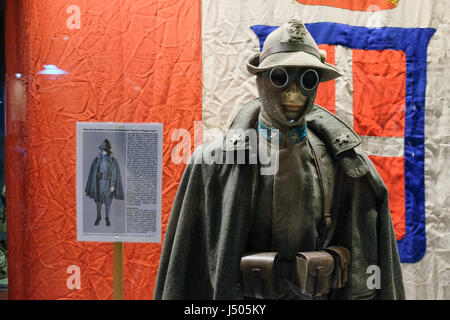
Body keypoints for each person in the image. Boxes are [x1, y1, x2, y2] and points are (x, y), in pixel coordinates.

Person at [154, 19, 405, 300]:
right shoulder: (213, 165)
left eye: (307, 80)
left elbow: (374, 263)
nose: (294, 92)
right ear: (260, 80)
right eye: (280, 76)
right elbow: (183, 271)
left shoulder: (348, 167)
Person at [85, 139, 124, 227]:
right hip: (99, 184)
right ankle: (98, 217)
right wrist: (95, 185)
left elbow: (114, 173)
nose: (103, 151)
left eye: (105, 149)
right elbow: (94, 172)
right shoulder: (97, 159)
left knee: (107, 202)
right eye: (102, 149)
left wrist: (113, 185)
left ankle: (107, 218)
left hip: (108, 184)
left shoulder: (112, 160)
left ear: (108, 149)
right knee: (99, 202)